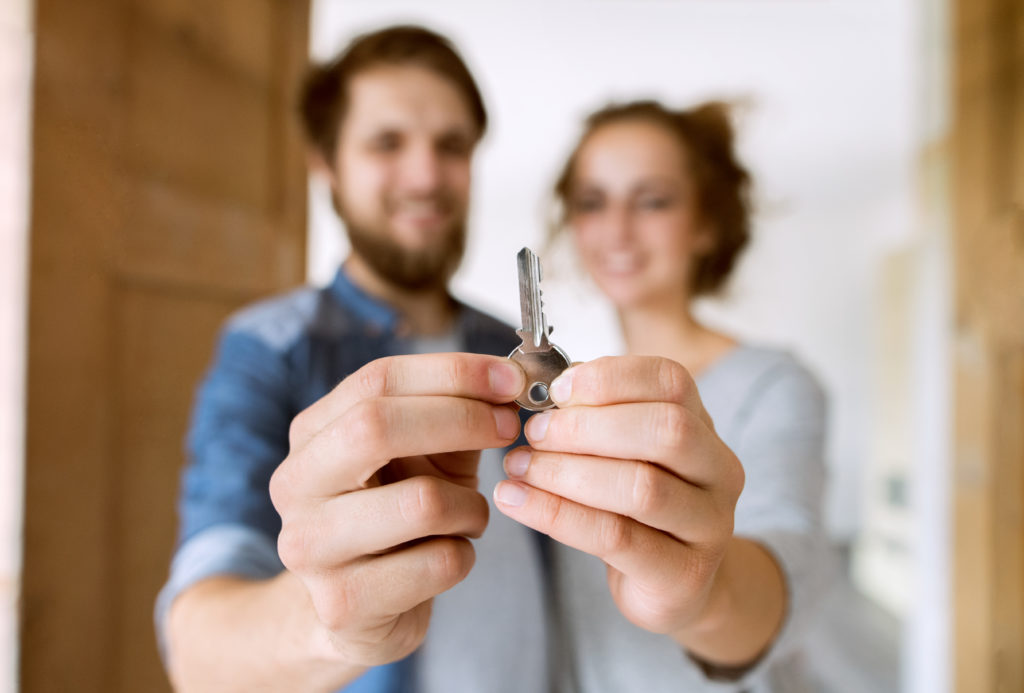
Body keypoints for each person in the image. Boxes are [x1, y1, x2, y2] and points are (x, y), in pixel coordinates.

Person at [157, 23, 827, 693]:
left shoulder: (513, 349)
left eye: (451, 146)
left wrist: (699, 591)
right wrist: (330, 625)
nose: (424, 175)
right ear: (326, 164)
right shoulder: (268, 347)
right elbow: (199, 653)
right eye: (387, 142)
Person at [507, 99, 831, 690]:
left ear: (706, 223)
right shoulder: (562, 394)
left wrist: (700, 596)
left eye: (652, 200)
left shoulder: (775, 385)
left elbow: (792, 574)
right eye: (592, 201)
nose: (617, 229)